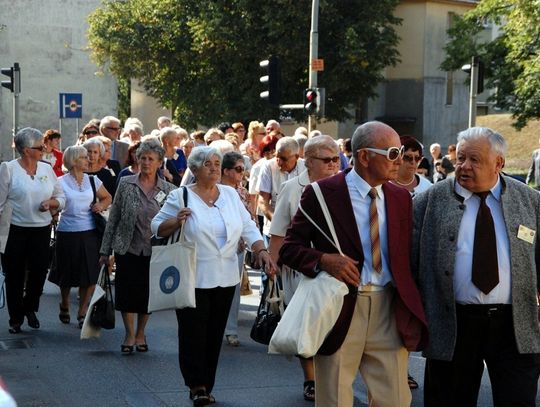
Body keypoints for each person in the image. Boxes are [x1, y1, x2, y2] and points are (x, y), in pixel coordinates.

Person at [280, 121, 427, 407]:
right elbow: (289, 249)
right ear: (364, 156)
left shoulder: (400, 198)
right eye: (393, 152)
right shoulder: (321, 193)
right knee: (334, 399)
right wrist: (323, 260)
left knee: (396, 400)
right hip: (339, 308)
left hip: (388, 309)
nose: (400, 160)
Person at [412, 127, 540, 407]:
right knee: (449, 400)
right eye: (460, 159)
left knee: (518, 399)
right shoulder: (428, 202)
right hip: (453, 323)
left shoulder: (529, 201)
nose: (464, 166)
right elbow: (410, 263)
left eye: (474, 160)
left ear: (499, 164)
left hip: (515, 324)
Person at [151, 146, 276, 406]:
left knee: (214, 333)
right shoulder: (181, 195)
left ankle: (207, 383)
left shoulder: (230, 195)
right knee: (193, 332)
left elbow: (248, 226)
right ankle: (196, 385)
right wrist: (176, 221)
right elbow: (157, 227)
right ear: (195, 169)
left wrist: (261, 250)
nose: (214, 168)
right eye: (208, 163)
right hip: (192, 276)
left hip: (226, 275)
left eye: (217, 163)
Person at [268, 135, 340, 402]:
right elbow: (278, 231)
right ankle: (310, 378)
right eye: (327, 160)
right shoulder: (291, 188)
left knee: (331, 324)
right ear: (308, 162)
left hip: (333, 268)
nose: (334, 165)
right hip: (298, 267)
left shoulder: (342, 186)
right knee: (306, 321)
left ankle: (330, 375)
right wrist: (272, 264)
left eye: (336, 159)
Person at [99, 138, 176, 355]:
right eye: (142, 158)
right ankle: (129, 333)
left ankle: (141, 332)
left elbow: (173, 221)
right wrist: (105, 251)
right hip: (127, 248)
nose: (145, 162)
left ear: (160, 163)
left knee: (147, 295)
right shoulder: (126, 184)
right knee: (126, 293)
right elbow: (113, 219)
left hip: (155, 251)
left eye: (151, 159)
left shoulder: (169, 190)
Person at [0, 127, 66, 334]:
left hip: (41, 229)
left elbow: (62, 198)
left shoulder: (46, 169)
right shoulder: (8, 169)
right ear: (27, 150)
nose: (44, 150)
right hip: (14, 230)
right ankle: (15, 318)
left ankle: (30, 307)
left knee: (38, 273)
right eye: (40, 147)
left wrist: (52, 203)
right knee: (15, 275)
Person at [48, 146, 112, 328]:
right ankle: (65, 303)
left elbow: (108, 197)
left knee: (90, 274)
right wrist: (52, 212)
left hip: (90, 232)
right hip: (67, 232)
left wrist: (101, 206)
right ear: (74, 161)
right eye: (84, 157)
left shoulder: (93, 180)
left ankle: (83, 310)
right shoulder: (59, 181)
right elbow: (53, 203)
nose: (89, 160)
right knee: (66, 273)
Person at [221, 151, 254, 347]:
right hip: (216, 246)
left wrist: (253, 244)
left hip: (238, 247)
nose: (242, 173)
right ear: (226, 171)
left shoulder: (242, 191)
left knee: (233, 288)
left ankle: (231, 329)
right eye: (239, 169)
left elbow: (248, 218)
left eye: (244, 169)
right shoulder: (213, 190)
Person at [257, 136, 305, 243]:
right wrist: (277, 222)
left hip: (300, 233)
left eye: (284, 158)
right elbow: (262, 200)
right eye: (277, 157)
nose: (279, 162)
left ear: (296, 157)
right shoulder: (268, 166)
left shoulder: (306, 168)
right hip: (272, 232)